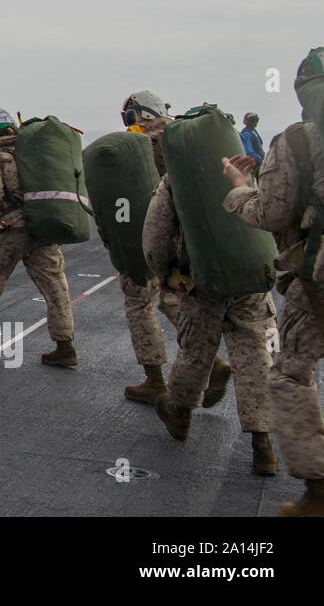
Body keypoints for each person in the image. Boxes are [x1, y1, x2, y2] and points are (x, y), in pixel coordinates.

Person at [223, 48, 324, 511]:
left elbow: (272, 212)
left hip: (317, 283)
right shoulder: (263, 136)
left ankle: (317, 492)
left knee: (288, 376)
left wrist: (239, 189)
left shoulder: (298, 139)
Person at [145, 168, 278, 476]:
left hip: (202, 281)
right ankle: (263, 445)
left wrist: (163, 271)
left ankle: (180, 413)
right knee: (257, 353)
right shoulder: (245, 167)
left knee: (196, 350)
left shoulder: (175, 177)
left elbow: (156, 233)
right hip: (251, 277)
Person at [114, 91, 229, 405]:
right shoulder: (184, 134)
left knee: (139, 298)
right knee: (170, 297)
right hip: (192, 237)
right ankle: (211, 363)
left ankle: (155, 380)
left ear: (143, 114)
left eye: (130, 116)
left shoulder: (149, 142)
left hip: (160, 230)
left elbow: (139, 189)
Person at [0, 107, 78, 365]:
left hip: (11, 230)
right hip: (42, 227)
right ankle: (65, 345)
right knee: (55, 286)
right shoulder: (33, 153)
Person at [241, 113, 265, 178]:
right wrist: (260, 159)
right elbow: (248, 151)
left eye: (256, 120)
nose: (255, 122)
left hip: (260, 162)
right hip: (256, 163)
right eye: (252, 120)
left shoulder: (253, 131)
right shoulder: (247, 133)